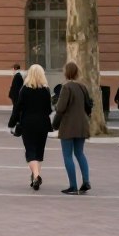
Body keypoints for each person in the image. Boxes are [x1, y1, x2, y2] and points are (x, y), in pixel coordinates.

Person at [8, 63, 52, 191]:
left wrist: (12, 123)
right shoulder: (46, 90)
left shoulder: (25, 90)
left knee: (30, 151)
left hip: (27, 123)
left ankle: (36, 176)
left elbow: (17, 108)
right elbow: (49, 109)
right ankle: (35, 177)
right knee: (39, 151)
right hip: (43, 124)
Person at [54, 61, 91, 194]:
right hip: (82, 124)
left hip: (68, 126)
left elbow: (61, 108)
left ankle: (73, 186)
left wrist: (55, 124)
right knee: (80, 153)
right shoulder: (83, 87)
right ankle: (86, 181)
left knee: (67, 155)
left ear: (66, 72)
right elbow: (89, 106)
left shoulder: (66, 87)